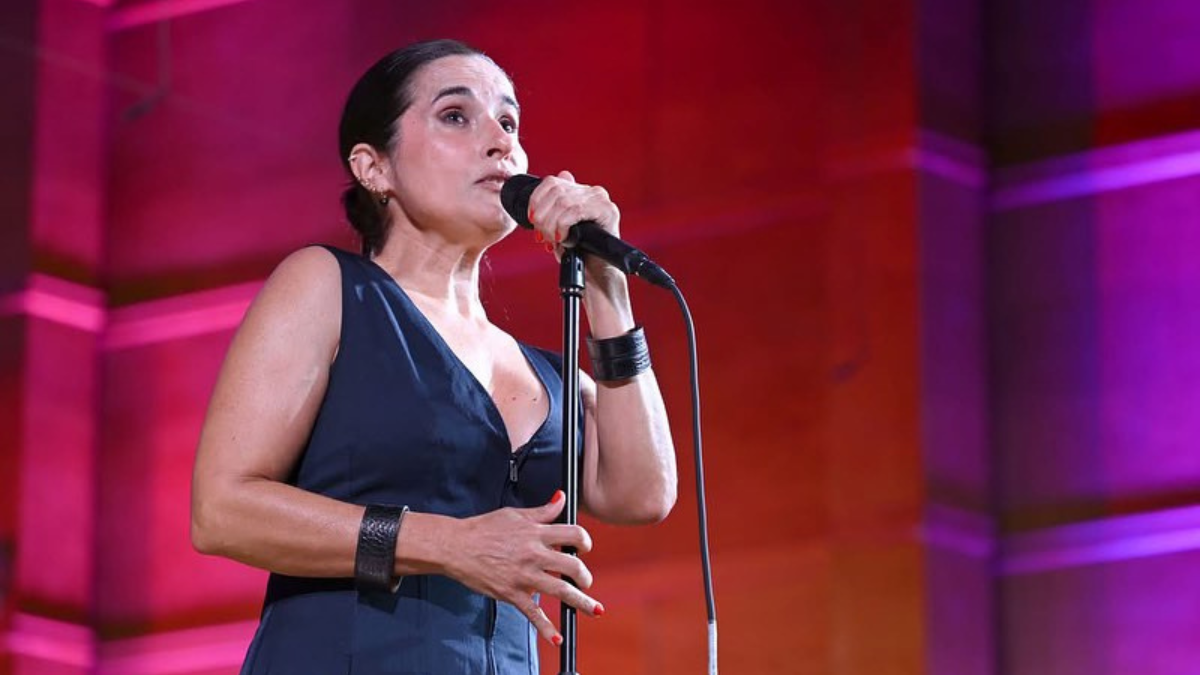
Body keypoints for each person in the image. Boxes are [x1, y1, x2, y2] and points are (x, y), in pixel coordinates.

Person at [190, 38, 677, 674]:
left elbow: (644, 494)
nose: (501, 143)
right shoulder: (331, 288)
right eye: (455, 115)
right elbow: (222, 511)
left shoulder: (549, 373)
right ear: (374, 167)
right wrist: (448, 543)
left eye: (509, 122)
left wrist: (608, 287)